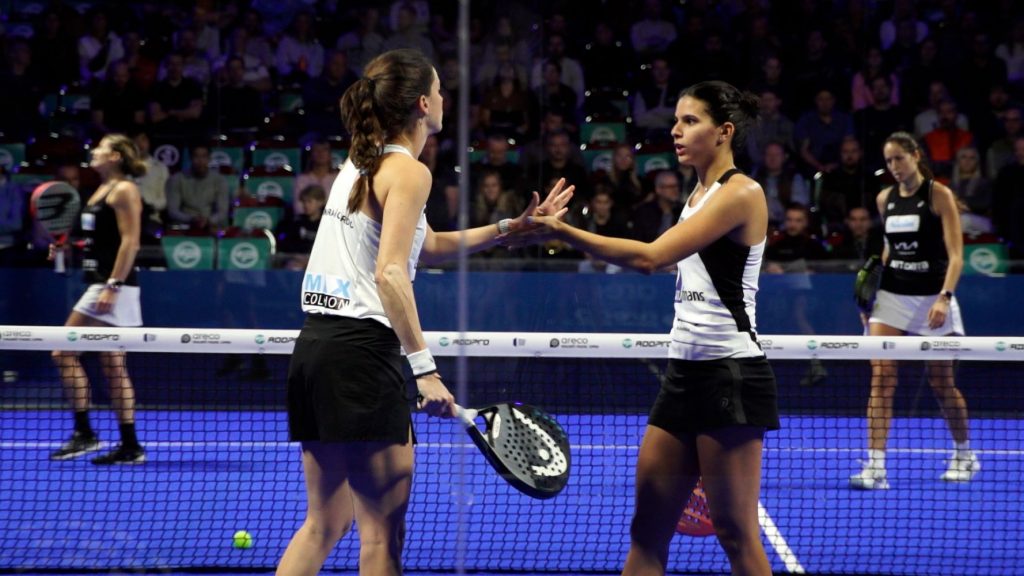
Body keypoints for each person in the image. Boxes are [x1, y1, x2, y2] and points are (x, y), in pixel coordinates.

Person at [275, 49, 572, 576]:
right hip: (366, 357)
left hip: (316, 351)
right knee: (382, 538)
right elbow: (391, 273)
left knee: (324, 525)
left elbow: (426, 245)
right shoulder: (408, 171)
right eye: (438, 90)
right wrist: (425, 370)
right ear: (421, 104)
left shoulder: (359, 163)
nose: (444, 99)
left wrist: (509, 229)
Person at [524, 80, 776, 576]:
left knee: (735, 533)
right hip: (681, 376)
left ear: (724, 131)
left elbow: (650, 258)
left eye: (690, 122)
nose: (676, 132)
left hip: (730, 377)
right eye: (676, 121)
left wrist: (563, 232)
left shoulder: (741, 192)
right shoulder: (698, 194)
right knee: (647, 529)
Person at [851, 131, 978, 490]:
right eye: (889, 161)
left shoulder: (939, 195)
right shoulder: (884, 199)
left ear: (915, 156)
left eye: (899, 159)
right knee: (881, 377)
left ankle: (964, 455)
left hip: (932, 295)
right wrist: (871, 296)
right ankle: (876, 468)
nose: (894, 167)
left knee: (942, 383)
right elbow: (890, 250)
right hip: (893, 295)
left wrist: (944, 297)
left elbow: (956, 255)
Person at [49, 134, 147, 465]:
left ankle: (85, 434)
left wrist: (113, 284)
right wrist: (68, 247)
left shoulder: (124, 190)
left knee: (63, 351)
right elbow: (101, 241)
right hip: (102, 282)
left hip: (111, 287)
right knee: (112, 365)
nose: (94, 151)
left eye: (101, 148)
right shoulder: (99, 191)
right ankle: (130, 444)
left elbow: (130, 242)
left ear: (116, 156)